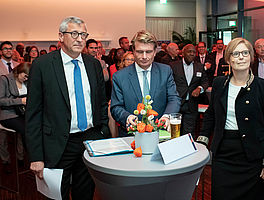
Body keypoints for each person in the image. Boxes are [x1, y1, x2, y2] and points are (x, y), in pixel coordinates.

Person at [25, 16, 109, 200]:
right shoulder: (42, 65)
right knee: (57, 195)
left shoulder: (93, 64)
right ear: (61, 36)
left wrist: (101, 132)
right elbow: (33, 113)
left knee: (85, 193)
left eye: (83, 34)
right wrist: (36, 156)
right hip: (57, 143)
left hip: (89, 140)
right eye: (74, 34)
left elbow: (101, 102)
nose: (80, 39)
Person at [197, 38, 264, 200]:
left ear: (251, 57)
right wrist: (201, 142)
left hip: (252, 156)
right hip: (223, 154)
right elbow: (211, 115)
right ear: (228, 59)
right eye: (235, 53)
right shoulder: (220, 83)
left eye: (245, 53)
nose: (241, 57)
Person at [110, 30, 181, 137]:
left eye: (148, 52)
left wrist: (167, 116)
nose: (144, 56)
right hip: (132, 136)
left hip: (161, 133)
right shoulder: (120, 77)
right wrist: (127, 117)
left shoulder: (165, 71)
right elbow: (116, 107)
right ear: (133, 51)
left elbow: (174, 98)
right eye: (139, 52)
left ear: (155, 51)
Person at [170, 44, 208, 138]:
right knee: (174, 132)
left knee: (188, 132)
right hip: (177, 103)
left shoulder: (199, 67)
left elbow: (205, 82)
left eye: (194, 52)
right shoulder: (173, 66)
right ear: (183, 53)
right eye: (189, 51)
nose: (192, 54)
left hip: (192, 104)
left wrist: (200, 88)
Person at [0, 63, 30, 171]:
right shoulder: (5, 79)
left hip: (23, 113)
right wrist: (20, 101)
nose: (26, 79)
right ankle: (32, 157)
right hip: (8, 114)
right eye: (25, 76)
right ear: (19, 71)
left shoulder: (26, 81)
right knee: (26, 129)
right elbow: (1, 100)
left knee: (34, 127)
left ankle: (24, 157)